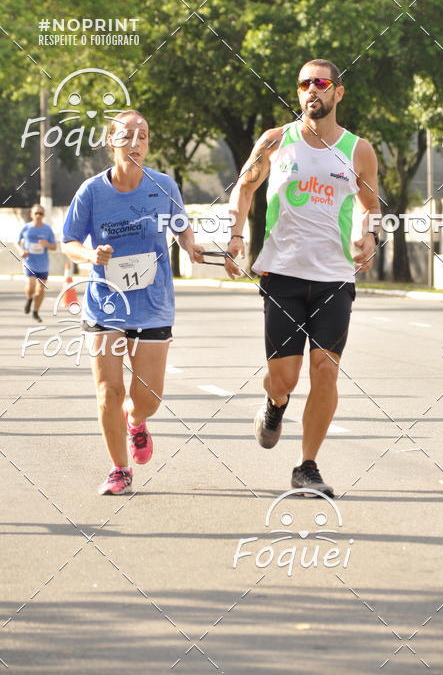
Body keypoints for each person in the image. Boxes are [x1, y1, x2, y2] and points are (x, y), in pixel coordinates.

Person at [225, 59, 381, 497]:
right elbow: (244, 187)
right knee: (285, 379)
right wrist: (236, 235)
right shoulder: (276, 141)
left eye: (321, 83)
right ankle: (275, 406)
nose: (312, 90)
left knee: (325, 371)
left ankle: (306, 466)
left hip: (334, 277)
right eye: (304, 84)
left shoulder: (357, 150)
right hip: (283, 273)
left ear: (338, 92)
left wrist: (369, 237)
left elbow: (371, 207)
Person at [62, 110, 205, 495]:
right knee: (109, 392)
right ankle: (119, 469)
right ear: (112, 142)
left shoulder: (163, 186)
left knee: (148, 398)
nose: (135, 144)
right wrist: (91, 256)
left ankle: (137, 422)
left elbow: (180, 226)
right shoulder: (91, 191)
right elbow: (70, 241)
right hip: (106, 303)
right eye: (127, 137)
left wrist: (191, 246)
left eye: (142, 137)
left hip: (153, 302)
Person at [18, 204, 57, 323]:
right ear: (31, 214)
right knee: (30, 286)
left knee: (40, 290)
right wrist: (21, 251)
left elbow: (54, 247)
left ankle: (35, 312)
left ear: (44, 215)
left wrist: (47, 244)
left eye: (41, 213)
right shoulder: (26, 228)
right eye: (36, 213)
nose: (38, 215)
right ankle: (29, 298)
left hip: (43, 264)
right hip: (29, 262)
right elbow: (17, 242)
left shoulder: (47, 229)